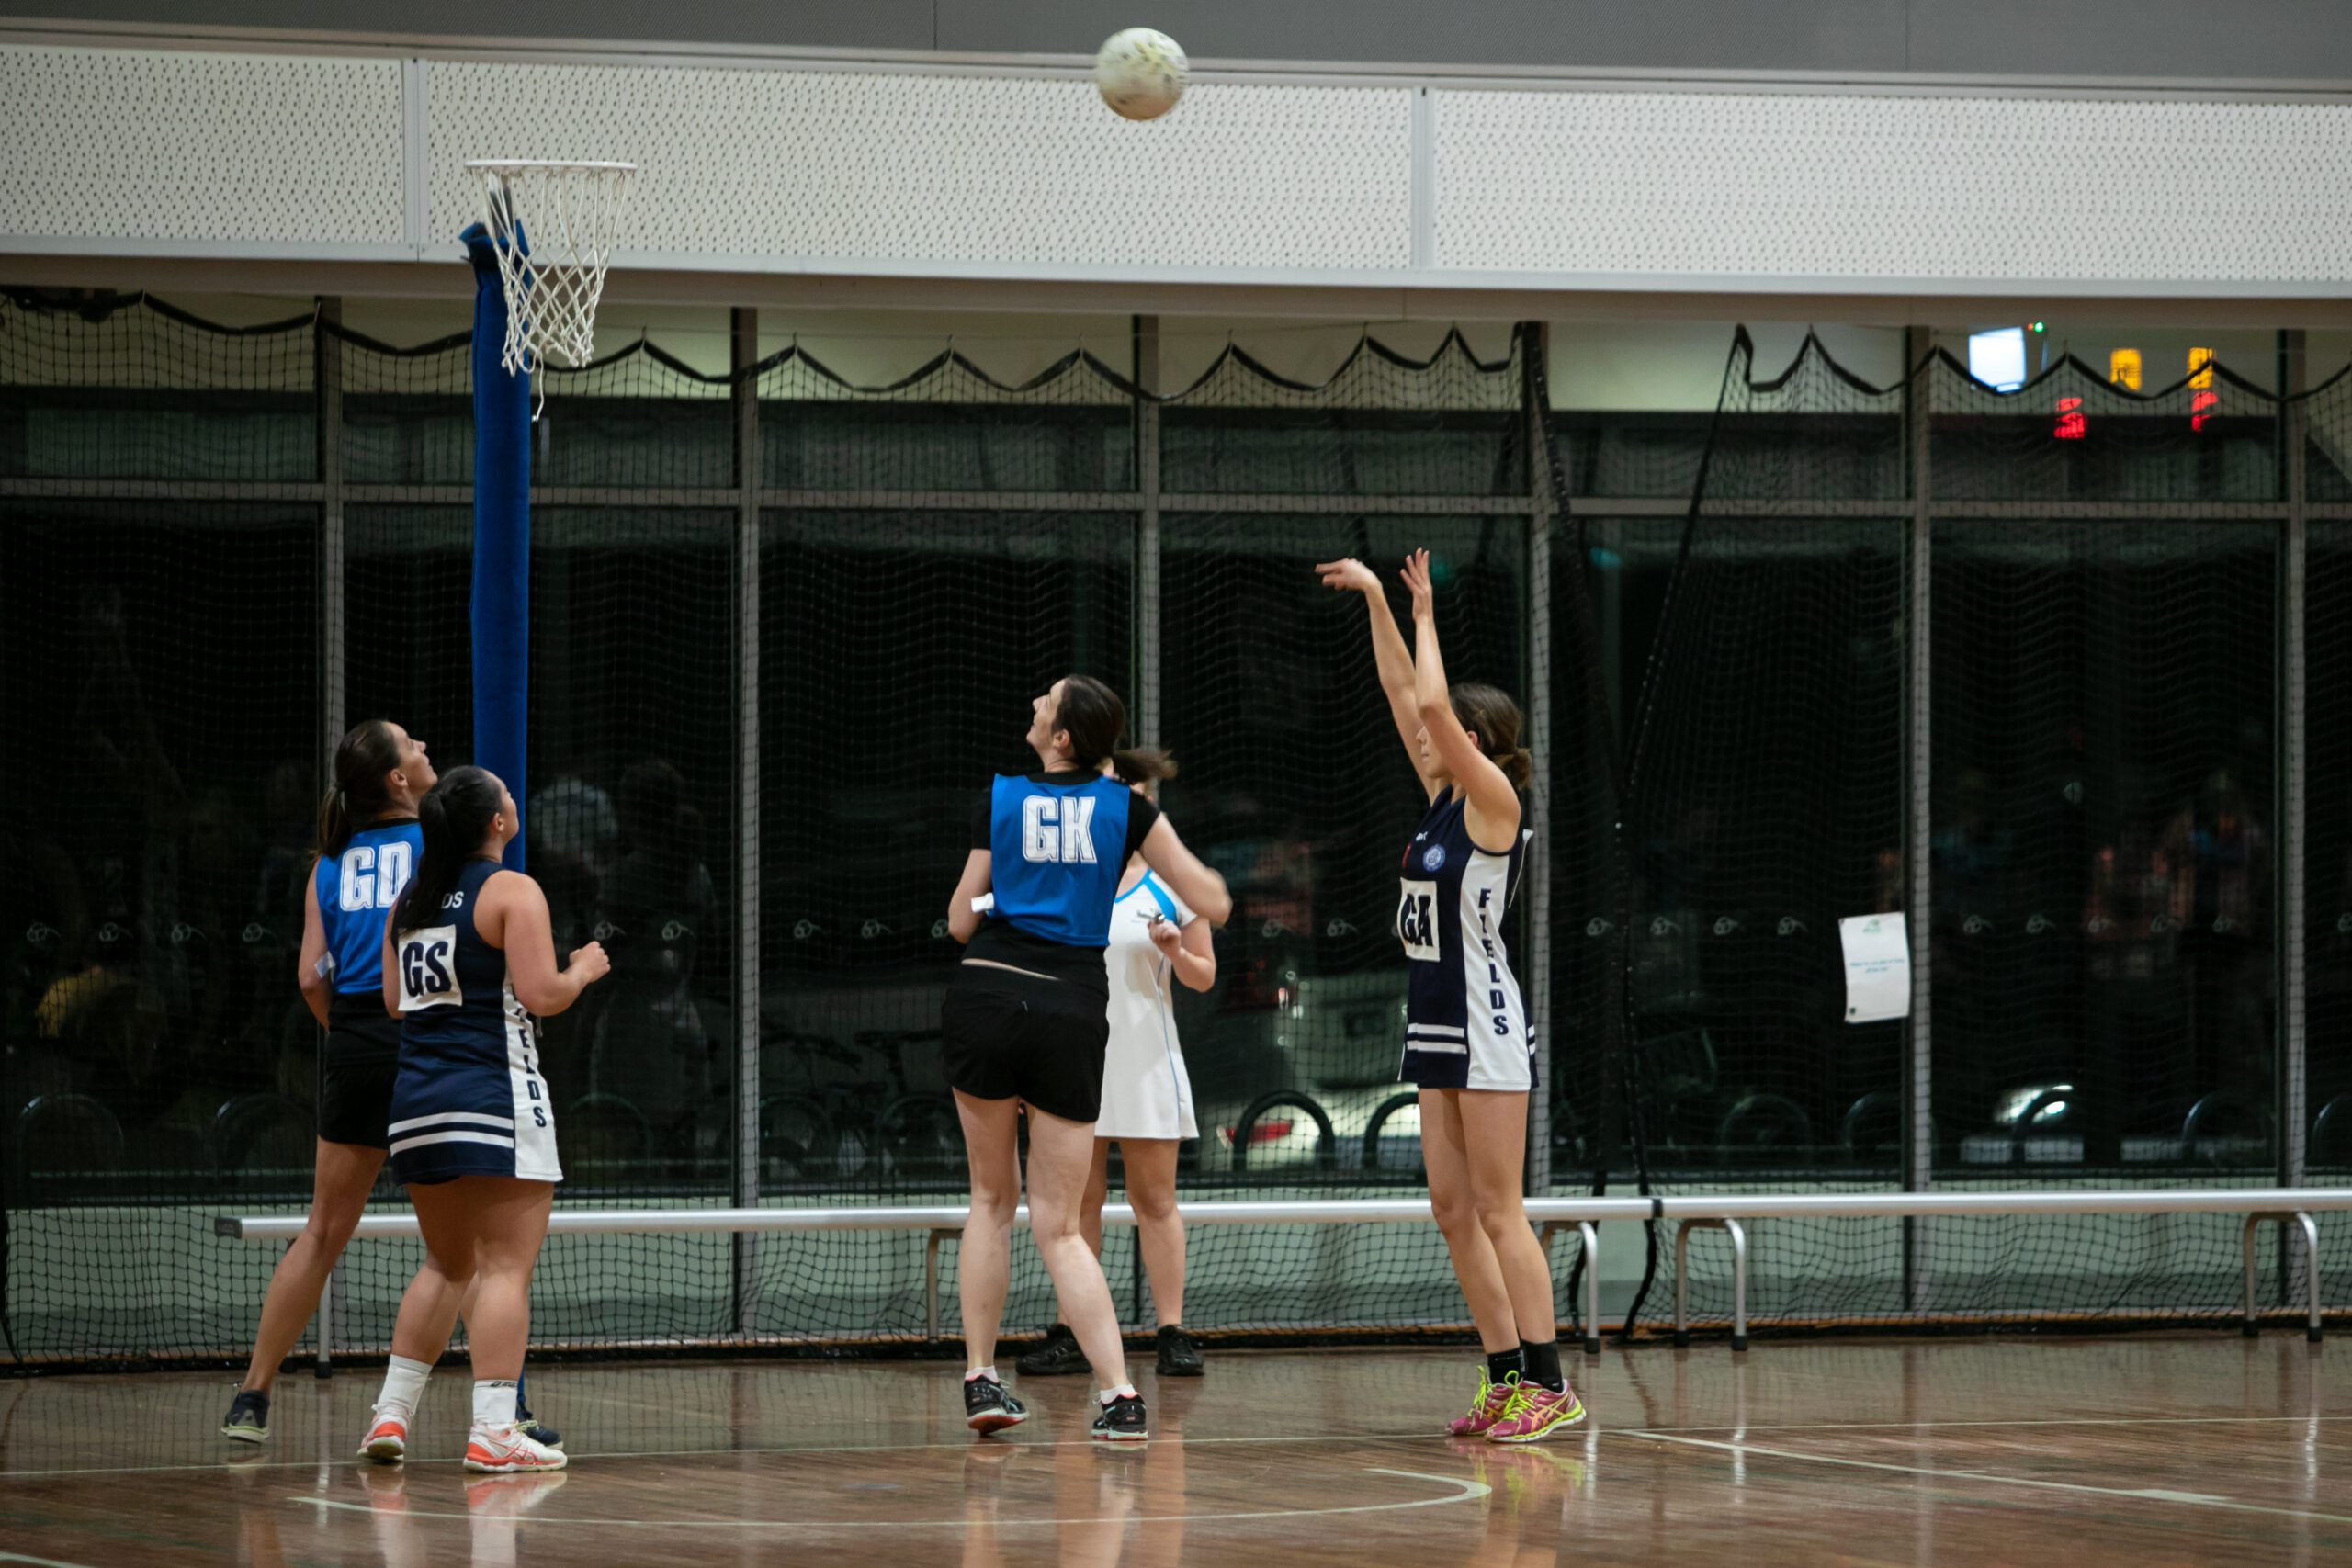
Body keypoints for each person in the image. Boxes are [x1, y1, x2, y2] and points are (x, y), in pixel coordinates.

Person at [1317, 549, 1583, 1444]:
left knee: (1501, 1208)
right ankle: (1504, 1374)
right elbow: (1406, 695)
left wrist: (1425, 609)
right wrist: (1374, 605)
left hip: (1489, 1022)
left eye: (1447, 730)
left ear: (1474, 737)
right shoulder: (1439, 797)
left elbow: (1428, 703)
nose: (1425, 735)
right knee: (1449, 1208)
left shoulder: (1493, 802)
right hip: (1433, 1019)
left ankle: (1551, 1382)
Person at [943, 676, 1231, 1442]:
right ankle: (1120, 1397)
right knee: (1062, 1226)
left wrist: (1007, 902)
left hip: (988, 995)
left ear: (1063, 737)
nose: (1034, 701)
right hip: (1069, 1009)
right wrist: (1197, 893)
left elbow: (957, 921)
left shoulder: (1001, 797)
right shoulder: (1128, 810)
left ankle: (981, 1377)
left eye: (1046, 699)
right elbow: (1212, 896)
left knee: (989, 1202)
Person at [356, 767, 608, 1472]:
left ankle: (390, 1415)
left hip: (416, 1101)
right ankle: (495, 1428)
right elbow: (542, 993)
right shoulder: (513, 891)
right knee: (503, 1267)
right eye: (505, 793)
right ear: (494, 821)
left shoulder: (410, 899)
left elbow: (396, 1002)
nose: (513, 799)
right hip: (495, 1096)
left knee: (444, 1262)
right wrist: (584, 967)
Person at [220, 721, 435, 1443]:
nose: (425, 748)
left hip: (352, 1047)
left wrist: (348, 1035)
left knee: (320, 1233)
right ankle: (494, 1407)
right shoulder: (437, 840)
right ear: (398, 780)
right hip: (427, 1046)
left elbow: (311, 973)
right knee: (462, 1249)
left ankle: (251, 1396)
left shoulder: (329, 861)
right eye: (412, 744)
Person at [1019, 754, 1216, 1382]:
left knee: (1155, 1199)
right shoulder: (1066, 875)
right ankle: (1072, 1331)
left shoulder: (1177, 880)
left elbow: (1204, 975)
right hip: (1075, 1061)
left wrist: (1177, 950)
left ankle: (1172, 1331)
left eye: (1129, 791)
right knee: (1078, 1204)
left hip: (1148, 1063)